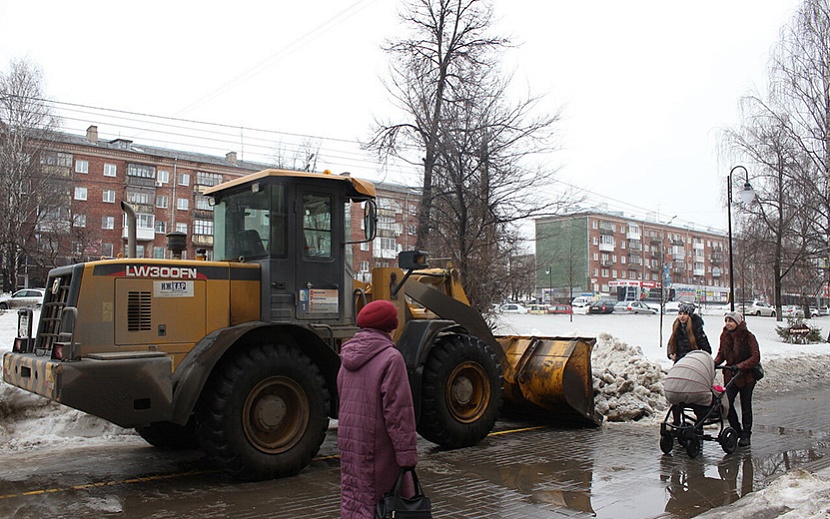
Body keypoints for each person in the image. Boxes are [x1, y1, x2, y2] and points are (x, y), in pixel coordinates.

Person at [337, 300, 418, 519]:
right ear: (390, 325)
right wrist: (407, 457)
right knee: (384, 505)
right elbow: (399, 414)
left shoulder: (346, 358)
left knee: (355, 499)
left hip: (352, 445)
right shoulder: (391, 359)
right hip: (380, 449)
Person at [715, 311, 761, 447]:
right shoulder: (724, 336)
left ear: (738, 322)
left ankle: (746, 434)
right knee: (726, 404)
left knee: (746, 405)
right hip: (731, 376)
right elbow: (721, 354)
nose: (728, 324)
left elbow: (755, 357)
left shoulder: (748, 336)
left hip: (747, 377)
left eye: (731, 321)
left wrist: (740, 366)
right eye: (726, 321)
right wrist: (713, 363)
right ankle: (736, 429)